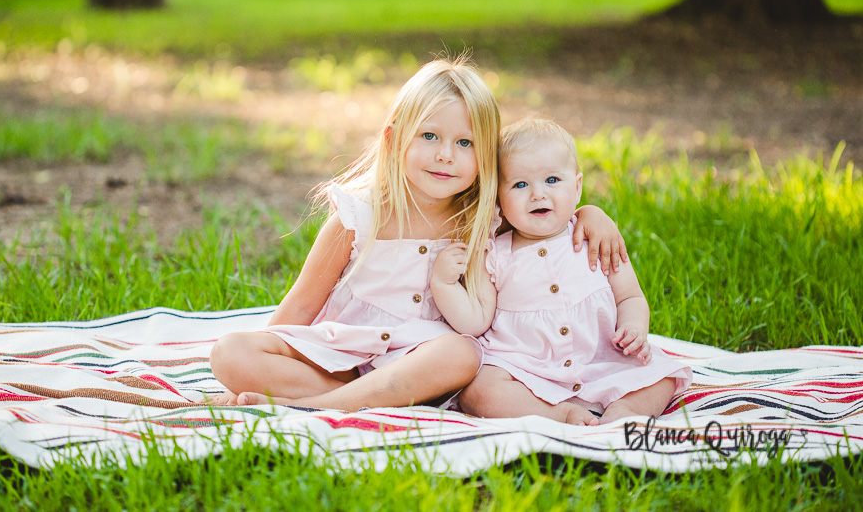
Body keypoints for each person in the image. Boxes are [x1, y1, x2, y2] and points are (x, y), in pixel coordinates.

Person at [209, 59, 626, 412]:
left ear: (486, 159)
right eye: (430, 136)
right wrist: (256, 362)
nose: (445, 154)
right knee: (230, 353)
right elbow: (301, 304)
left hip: (424, 362)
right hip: (343, 355)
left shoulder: (484, 220)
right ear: (394, 139)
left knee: (463, 352)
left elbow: (549, 219)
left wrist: (591, 212)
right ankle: (354, 399)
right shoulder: (358, 217)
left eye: (465, 142)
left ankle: (317, 407)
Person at [455, 117, 692, 425]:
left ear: (577, 187)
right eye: (520, 184)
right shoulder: (495, 254)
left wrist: (635, 328)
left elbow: (630, 296)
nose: (538, 194)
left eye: (552, 180)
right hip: (526, 369)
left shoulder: (595, 238)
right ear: (498, 198)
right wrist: (447, 284)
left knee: (661, 375)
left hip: (602, 361)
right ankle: (556, 413)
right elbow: (478, 317)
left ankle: (625, 411)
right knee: (477, 391)